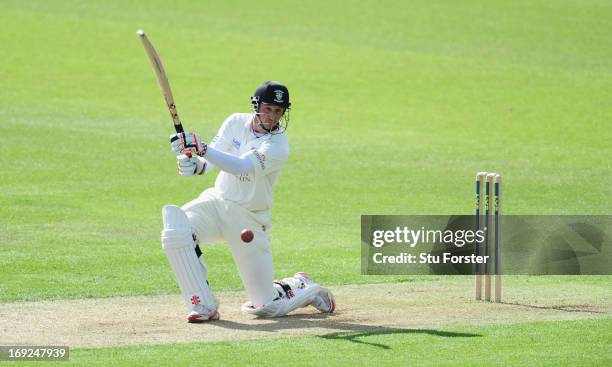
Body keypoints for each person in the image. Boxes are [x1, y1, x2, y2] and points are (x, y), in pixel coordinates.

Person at [160, 81, 336, 322]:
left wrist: (202, 149)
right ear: (256, 106)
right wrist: (198, 165)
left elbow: (241, 166)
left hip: (249, 218)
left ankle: (301, 285)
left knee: (265, 307)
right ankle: (203, 305)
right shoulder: (235, 122)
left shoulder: (277, 145)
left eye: (278, 111)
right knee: (176, 229)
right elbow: (215, 157)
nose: (272, 116)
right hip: (217, 202)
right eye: (268, 108)